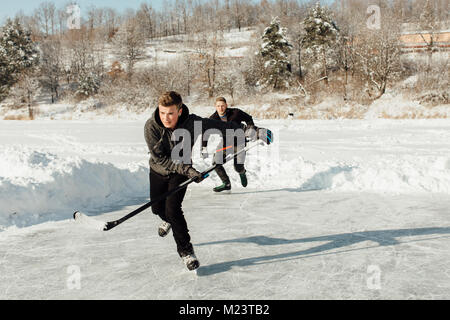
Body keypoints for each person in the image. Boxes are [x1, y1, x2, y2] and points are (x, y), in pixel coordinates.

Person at [144, 91, 271, 271]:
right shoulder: (151, 126)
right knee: (157, 209)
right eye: (162, 112)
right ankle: (168, 220)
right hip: (159, 170)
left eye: (170, 113)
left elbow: (221, 126)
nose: (166, 117)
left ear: (179, 111)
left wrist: (254, 131)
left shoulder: (192, 122)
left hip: (181, 172)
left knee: (173, 210)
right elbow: (160, 159)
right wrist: (189, 170)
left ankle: (186, 252)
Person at [201, 97, 255, 193]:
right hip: (225, 143)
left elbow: (248, 118)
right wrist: (204, 147)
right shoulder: (213, 118)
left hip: (240, 142)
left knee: (238, 166)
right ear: (215, 107)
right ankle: (226, 183)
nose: (220, 108)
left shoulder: (236, 113)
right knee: (216, 163)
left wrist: (251, 129)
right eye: (218, 106)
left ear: (226, 105)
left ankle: (242, 172)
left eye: (222, 106)